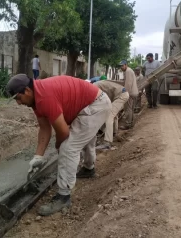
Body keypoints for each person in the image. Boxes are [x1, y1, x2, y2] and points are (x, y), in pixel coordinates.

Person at [6, 74, 111, 216]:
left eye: (18, 98)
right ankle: (88, 169)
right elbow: (44, 128)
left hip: (96, 105)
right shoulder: (35, 98)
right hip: (92, 103)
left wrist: (59, 146)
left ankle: (63, 196)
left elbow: (63, 132)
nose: (18, 103)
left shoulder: (45, 97)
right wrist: (38, 156)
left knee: (68, 148)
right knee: (84, 138)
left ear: (27, 91)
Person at [93, 80, 129, 149]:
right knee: (113, 114)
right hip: (122, 94)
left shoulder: (94, 87)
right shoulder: (97, 84)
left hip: (121, 95)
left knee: (109, 116)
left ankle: (107, 142)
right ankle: (114, 133)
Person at [118, 60, 138, 130]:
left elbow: (128, 84)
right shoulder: (129, 71)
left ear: (126, 65)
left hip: (130, 92)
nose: (121, 67)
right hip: (133, 92)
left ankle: (127, 124)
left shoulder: (128, 71)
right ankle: (131, 123)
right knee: (131, 108)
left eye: (122, 66)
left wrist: (125, 93)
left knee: (128, 108)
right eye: (120, 66)